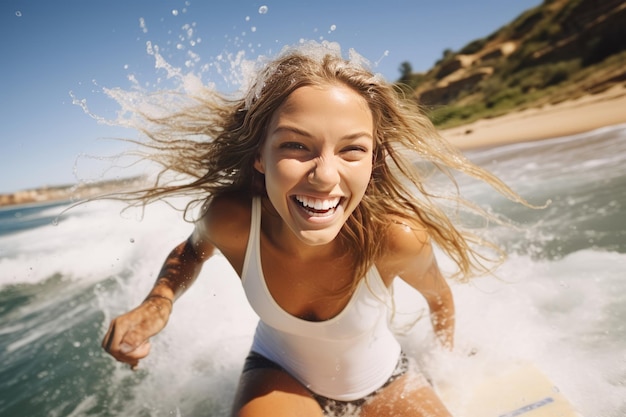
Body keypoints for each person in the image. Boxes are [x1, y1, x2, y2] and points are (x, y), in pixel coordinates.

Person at [101, 42, 525, 417]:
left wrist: (443, 371)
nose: (325, 176)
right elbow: (192, 252)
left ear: (373, 161)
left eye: (352, 149)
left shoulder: (394, 238)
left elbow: (440, 298)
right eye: (295, 145)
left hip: (385, 379)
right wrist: (158, 302)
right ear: (260, 157)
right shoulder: (234, 220)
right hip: (279, 374)